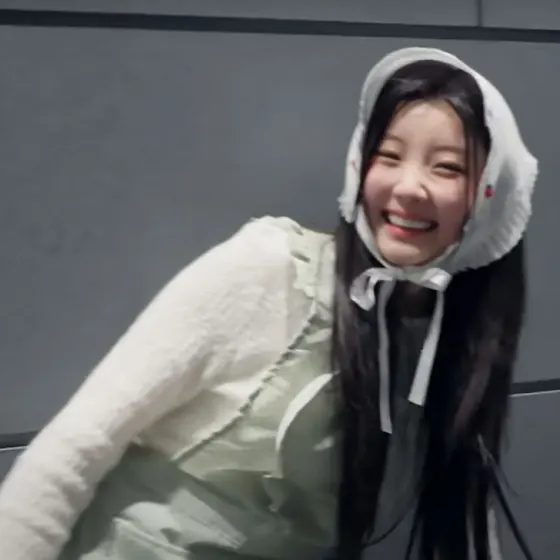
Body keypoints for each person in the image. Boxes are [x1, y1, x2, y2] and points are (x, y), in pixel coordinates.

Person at [0, 47, 538, 560]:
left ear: (491, 194)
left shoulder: (453, 340)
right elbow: (73, 450)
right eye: (388, 156)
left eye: (447, 168)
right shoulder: (271, 270)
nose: (408, 187)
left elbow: (465, 518)